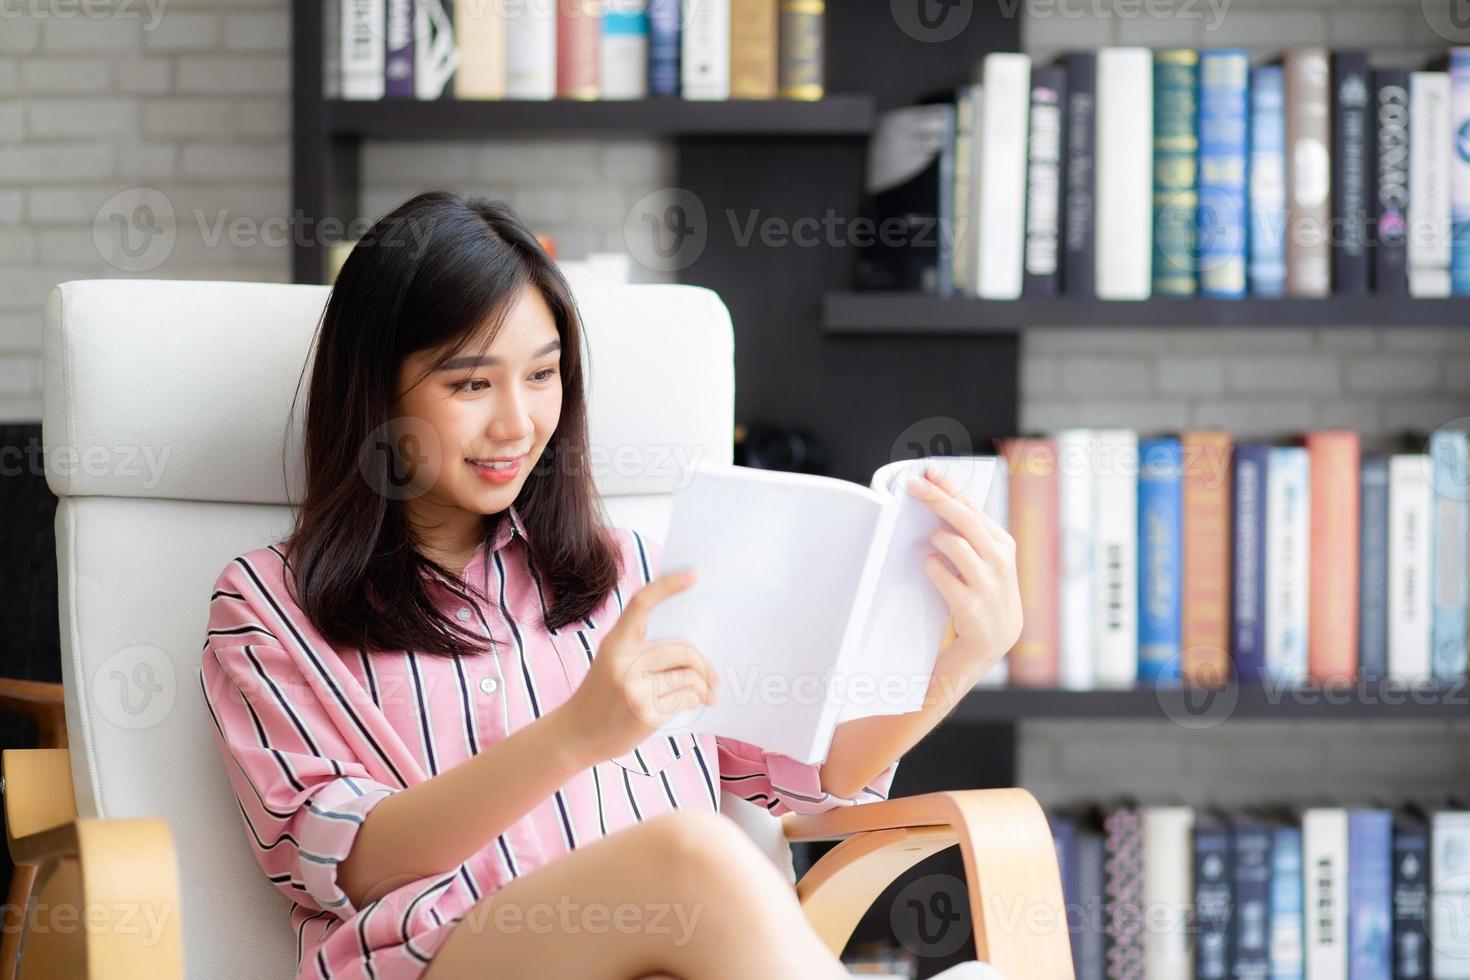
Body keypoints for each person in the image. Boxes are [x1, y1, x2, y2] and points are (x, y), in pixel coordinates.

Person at [200, 190, 1023, 980]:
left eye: (543, 375)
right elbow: (347, 862)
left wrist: (962, 655)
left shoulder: (636, 571)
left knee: (700, 865)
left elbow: (810, 776)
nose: (517, 423)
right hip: (438, 958)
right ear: (376, 391)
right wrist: (576, 735)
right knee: (693, 853)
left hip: (668, 960)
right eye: (470, 384)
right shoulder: (268, 608)